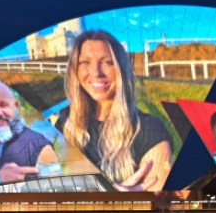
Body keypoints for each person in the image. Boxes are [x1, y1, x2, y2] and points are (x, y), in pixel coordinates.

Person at [54, 30, 171, 191]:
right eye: (85, 62)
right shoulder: (65, 123)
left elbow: (163, 207)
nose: (96, 72)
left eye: (107, 62)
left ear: (121, 69)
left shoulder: (150, 130)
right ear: (75, 69)